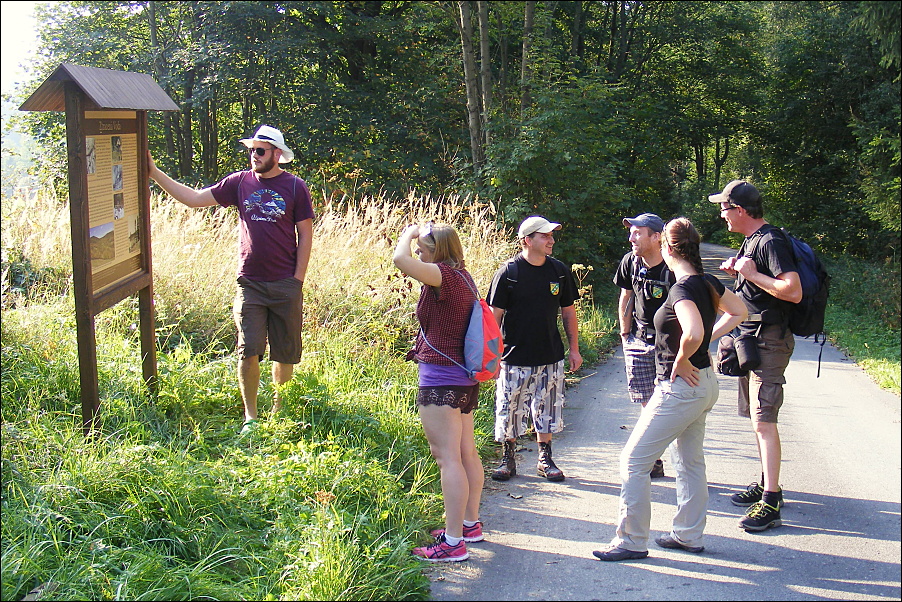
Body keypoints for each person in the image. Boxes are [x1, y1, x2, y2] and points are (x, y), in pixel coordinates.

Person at [593, 217, 748, 561]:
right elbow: (739, 310)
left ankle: (631, 541)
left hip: (682, 387)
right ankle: (688, 535)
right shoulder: (705, 281)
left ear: (666, 246)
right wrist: (707, 341)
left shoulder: (681, 288)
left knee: (633, 461)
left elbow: (692, 331)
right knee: (690, 461)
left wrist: (683, 357)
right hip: (704, 385)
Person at [147, 125, 314, 434]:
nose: (254, 155)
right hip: (249, 283)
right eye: (251, 150)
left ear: (277, 154)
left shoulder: (295, 187)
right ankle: (251, 417)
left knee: (284, 351)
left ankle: (279, 410)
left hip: (285, 284)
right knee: (248, 349)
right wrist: (155, 172)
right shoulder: (240, 182)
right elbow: (195, 199)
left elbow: (305, 234)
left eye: (260, 150)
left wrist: (297, 279)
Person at [709, 180, 802, 532]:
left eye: (725, 208)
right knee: (755, 417)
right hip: (753, 338)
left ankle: (772, 501)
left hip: (770, 340)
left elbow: (792, 291)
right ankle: (765, 481)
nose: (722, 215)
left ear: (741, 210)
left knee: (764, 419)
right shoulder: (752, 241)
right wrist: (742, 271)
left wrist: (751, 273)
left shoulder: (771, 241)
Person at [393, 222, 485, 563]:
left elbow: (399, 260)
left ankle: (453, 542)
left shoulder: (444, 276)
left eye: (424, 249)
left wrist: (409, 232)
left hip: (440, 378)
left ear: (439, 251)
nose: (419, 253)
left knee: (447, 458)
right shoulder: (464, 277)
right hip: (463, 376)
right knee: (465, 453)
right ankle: (469, 524)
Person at [486, 216, 582, 483]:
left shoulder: (559, 271)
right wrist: (492, 357)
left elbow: (568, 312)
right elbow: (494, 318)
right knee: (509, 408)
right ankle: (508, 458)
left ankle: (545, 458)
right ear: (528, 240)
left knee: (548, 409)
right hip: (513, 357)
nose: (551, 240)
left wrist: (574, 349)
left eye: (551, 236)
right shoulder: (508, 273)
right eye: (545, 236)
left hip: (550, 355)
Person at [614, 213, 676, 479]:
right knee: (647, 402)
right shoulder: (631, 261)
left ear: (656, 236)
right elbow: (626, 295)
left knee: (673, 401)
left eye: (638, 233)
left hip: (670, 344)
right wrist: (624, 332)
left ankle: (680, 461)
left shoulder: (674, 266)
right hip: (639, 339)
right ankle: (654, 459)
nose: (631, 238)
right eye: (631, 232)